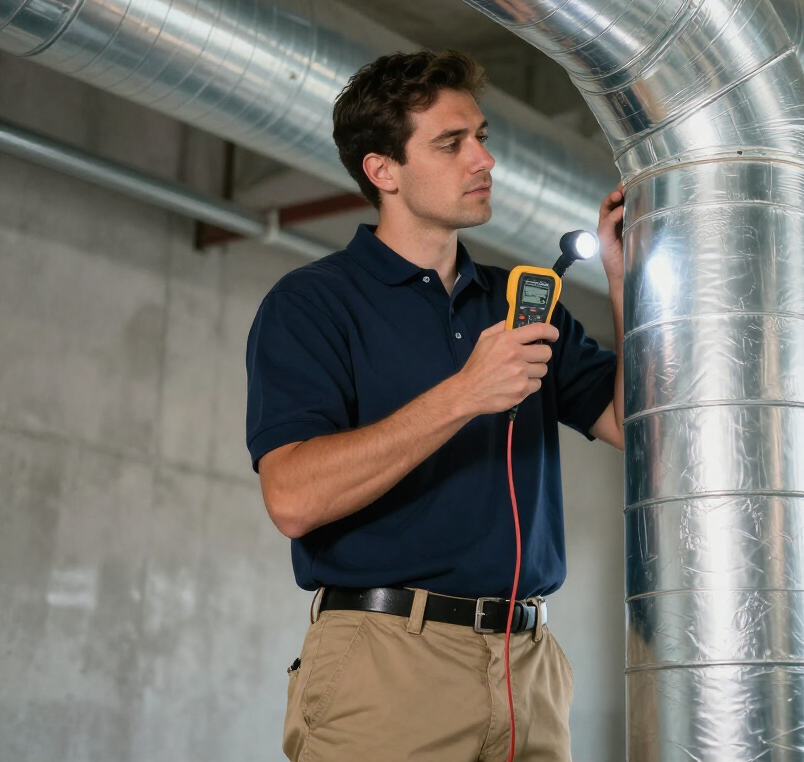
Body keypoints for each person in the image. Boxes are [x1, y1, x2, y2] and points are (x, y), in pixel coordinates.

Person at [246, 49, 624, 762]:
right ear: (383, 171)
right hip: (387, 663)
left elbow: (641, 429)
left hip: (529, 668)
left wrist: (623, 282)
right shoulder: (313, 305)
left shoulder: (520, 302)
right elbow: (292, 496)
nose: (483, 160)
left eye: (482, 137)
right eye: (452, 143)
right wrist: (463, 395)